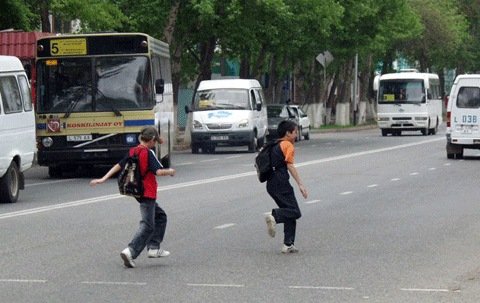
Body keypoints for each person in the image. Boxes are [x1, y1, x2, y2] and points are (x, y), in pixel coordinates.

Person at [90, 126, 175, 268]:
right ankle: (131, 251)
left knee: (160, 216)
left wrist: (103, 179)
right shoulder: (148, 153)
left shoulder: (133, 151)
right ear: (152, 140)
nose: (155, 144)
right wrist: (170, 171)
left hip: (137, 191)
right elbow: (158, 171)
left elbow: (119, 165)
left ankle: (153, 248)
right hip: (147, 192)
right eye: (155, 142)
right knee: (148, 224)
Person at [265, 120, 308, 253]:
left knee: (289, 211)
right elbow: (290, 165)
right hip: (281, 182)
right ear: (288, 133)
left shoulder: (274, 145)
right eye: (295, 132)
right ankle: (274, 216)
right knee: (295, 212)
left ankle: (288, 244)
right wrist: (301, 184)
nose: (296, 135)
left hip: (271, 183)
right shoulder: (287, 145)